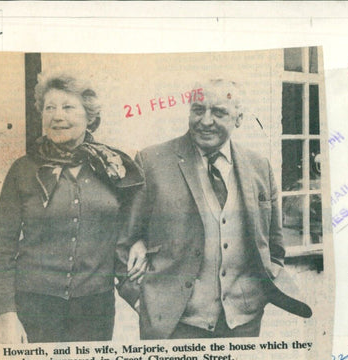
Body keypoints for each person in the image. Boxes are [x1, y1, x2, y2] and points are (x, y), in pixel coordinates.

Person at [118, 79, 311, 339]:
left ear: (239, 118)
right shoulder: (152, 162)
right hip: (174, 325)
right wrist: (141, 302)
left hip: (243, 323)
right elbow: (123, 242)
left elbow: (274, 246)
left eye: (218, 112)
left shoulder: (258, 166)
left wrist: (259, 295)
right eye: (198, 110)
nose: (205, 121)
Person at [0, 72, 144, 344]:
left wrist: (140, 243)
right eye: (49, 108)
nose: (57, 116)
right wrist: (7, 316)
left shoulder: (114, 167)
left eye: (68, 107)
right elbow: (3, 248)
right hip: (35, 307)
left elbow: (134, 227)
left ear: (90, 116)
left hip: (95, 308)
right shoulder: (23, 170)